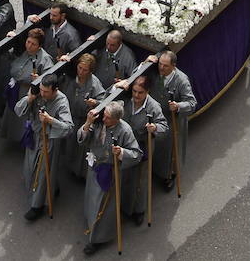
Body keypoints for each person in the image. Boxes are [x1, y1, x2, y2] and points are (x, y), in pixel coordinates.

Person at [77, 101, 142, 256]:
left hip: (109, 172)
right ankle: (90, 220)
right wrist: (87, 123)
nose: (104, 120)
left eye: (107, 118)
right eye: (104, 116)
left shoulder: (125, 130)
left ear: (116, 119)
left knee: (103, 206)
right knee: (92, 199)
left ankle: (97, 239)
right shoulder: (98, 122)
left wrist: (121, 152)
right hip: (94, 167)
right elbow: (82, 137)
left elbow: (136, 154)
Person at [15, 72, 74, 222]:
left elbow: (68, 128)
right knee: (29, 168)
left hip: (49, 140)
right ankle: (52, 187)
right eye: (41, 90)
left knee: (42, 173)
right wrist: (29, 99)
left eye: (46, 92)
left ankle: (37, 206)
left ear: (55, 90)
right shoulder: (38, 94)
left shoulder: (61, 102)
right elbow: (18, 109)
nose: (42, 94)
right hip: (35, 137)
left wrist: (51, 120)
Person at [120, 76, 168, 226]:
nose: (136, 95)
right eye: (134, 91)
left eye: (140, 92)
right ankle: (122, 204)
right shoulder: (127, 100)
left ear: (147, 92)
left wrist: (155, 128)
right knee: (125, 177)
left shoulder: (153, 107)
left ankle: (139, 210)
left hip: (143, 146)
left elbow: (164, 126)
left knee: (140, 180)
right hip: (126, 145)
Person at [147, 50, 195, 191]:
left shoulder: (181, 80)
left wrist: (178, 106)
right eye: (160, 64)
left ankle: (168, 175)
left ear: (173, 66)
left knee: (169, 150)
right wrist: (145, 63)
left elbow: (191, 103)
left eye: (165, 66)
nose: (161, 68)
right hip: (155, 116)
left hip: (171, 119)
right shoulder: (155, 71)